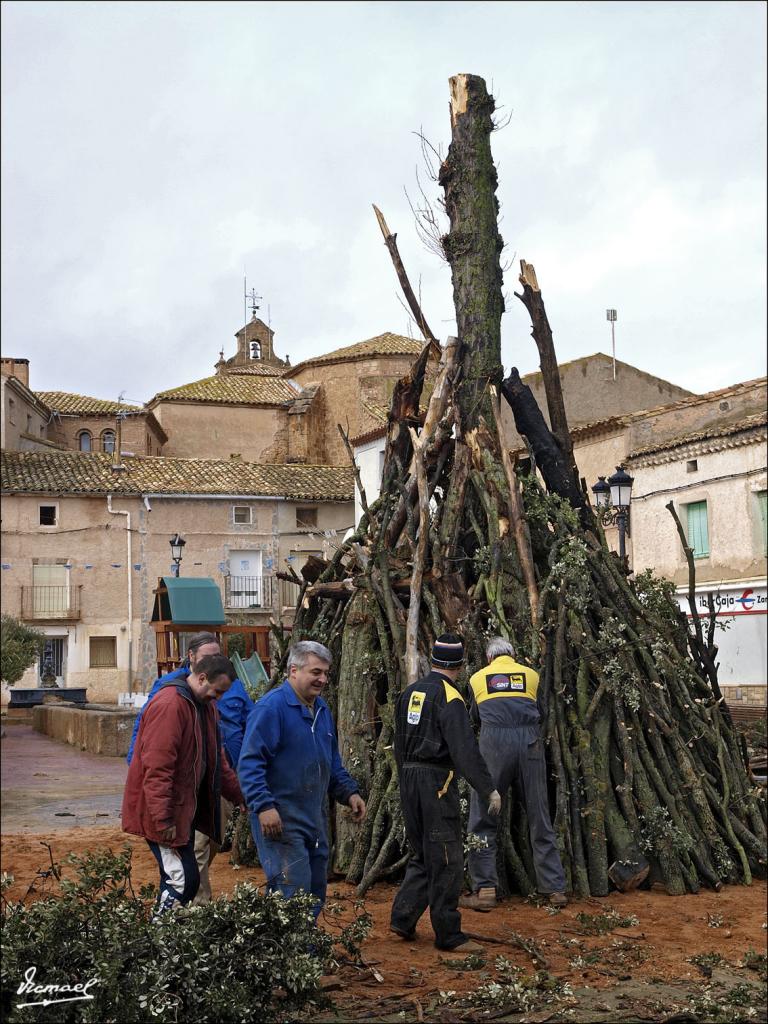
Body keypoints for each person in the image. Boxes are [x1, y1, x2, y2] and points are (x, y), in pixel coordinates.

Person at [237, 640, 366, 919]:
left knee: (316, 887)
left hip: (314, 818)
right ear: (293, 670)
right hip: (280, 819)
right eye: (316, 672)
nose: (322, 679)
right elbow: (249, 763)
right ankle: (294, 955)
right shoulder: (271, 709)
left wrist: (348, 792)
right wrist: (264, 806)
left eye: (325, 673)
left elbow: (330, 762)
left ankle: (303, 952)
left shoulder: (321, 710)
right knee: (291, 891)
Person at [390, 634, 501, 954]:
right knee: (447, 856)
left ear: (434, 659)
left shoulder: (408, 693)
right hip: (436, 782)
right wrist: (488, 789)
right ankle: (449, 934)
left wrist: (406, 780)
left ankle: (403, 917)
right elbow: (465, 750)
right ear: (461, 664)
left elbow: (398, 743)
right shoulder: (450, 698)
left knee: (422, 853)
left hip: (409, 779)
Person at [126, 631, 256, 903]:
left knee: (188, 877)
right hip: (164, 811)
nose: (218, 698)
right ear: (200, 676)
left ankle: (175, 935)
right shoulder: (170, 704)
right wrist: (163, 819)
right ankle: (161, 938)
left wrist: (239, 794)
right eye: (217, 691)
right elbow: (157, 768)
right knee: (181, 879)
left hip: (188, 806)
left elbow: (216, 759)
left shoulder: (206, 706)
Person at [460, 636, 567, 912]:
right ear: (513, 653)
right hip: (529, 742)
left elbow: (474, 717)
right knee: (539, 814)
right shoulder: (531, 675)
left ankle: (485, 888)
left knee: (483, 815)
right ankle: (554, 888)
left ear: (488, 658)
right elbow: (541, 712)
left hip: (493, 744)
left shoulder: (477, 679)